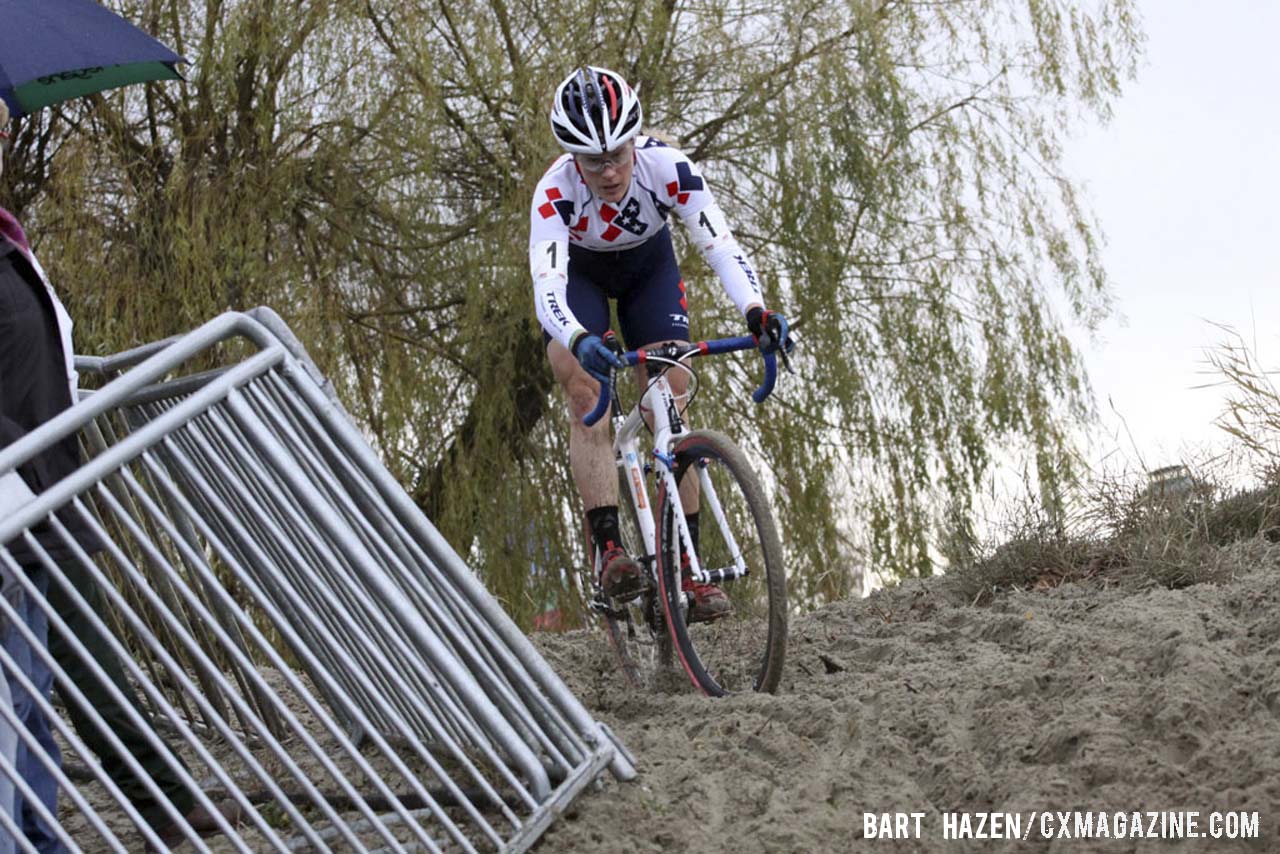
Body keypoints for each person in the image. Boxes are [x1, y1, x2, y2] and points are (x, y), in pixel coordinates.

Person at [0, 99, 240, 850]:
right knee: (38, 684)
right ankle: (160, 797)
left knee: (36, 693)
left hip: (40, 491)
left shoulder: (8, 242)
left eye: (2, 125)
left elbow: (41, 355)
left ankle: (108, 813)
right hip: (19, 490)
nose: (2, 137)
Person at [530, 66, 791, 622]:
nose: (609, 171)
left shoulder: (668, 168)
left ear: (634, 140)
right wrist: (577, 337)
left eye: (618, 154)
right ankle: (610, 550)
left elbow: (720, 245)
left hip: (649, 272)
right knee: (583, 391)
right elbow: (548, 291)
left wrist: (756, 310)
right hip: (582, 280)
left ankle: (688, 573)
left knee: (669, 396)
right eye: (593, 160)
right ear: (572, 157)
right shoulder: (554, 192)